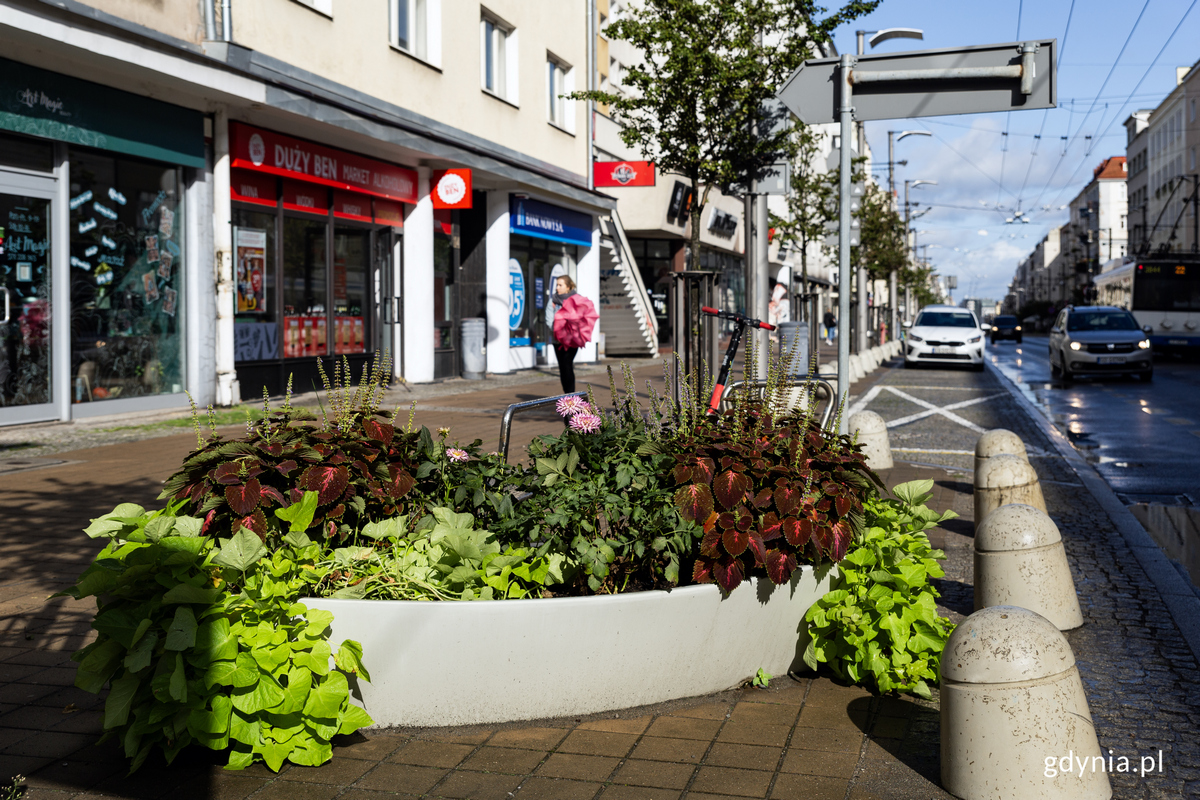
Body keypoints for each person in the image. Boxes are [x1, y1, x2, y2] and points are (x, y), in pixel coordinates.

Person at [550, 275, 598, 393]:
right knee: (562, 367)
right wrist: (559, 329)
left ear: (568, 287)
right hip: (558, 340)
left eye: (560, 285)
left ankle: (571, 395)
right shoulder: (554, 301)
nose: (557, 288)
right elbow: (548, 318)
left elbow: (584, 316)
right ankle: (567, 395)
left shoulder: (578, 300)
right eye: (557, 285)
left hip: (572, 340)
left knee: (567, 365)